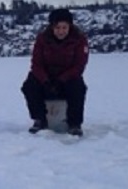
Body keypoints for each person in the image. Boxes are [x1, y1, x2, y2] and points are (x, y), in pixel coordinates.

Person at [21, 8, 88, 136]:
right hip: (46, 77)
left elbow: (79, 65)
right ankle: (40, 120)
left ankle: (74, 124)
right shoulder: (42, 39)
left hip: (69, 77)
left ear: (70, 26)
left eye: (64, 27)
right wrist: (45, 81)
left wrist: (61, 80)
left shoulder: (80, 39)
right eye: (57, 27)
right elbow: (36, 64)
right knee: (29, 86)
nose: (61, 31)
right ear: (52, 27)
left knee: (78, 87)